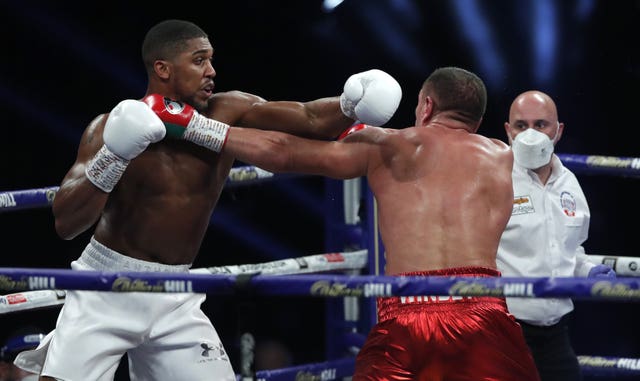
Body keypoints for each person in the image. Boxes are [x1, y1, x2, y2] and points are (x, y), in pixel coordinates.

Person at [13, 19, 401, 381]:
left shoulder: (228, 111)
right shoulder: (110, 126)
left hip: (177, 295)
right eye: (199, 61)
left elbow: (309, 119)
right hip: (106, 286)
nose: (211, 71)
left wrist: (349, 104)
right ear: (163, 69)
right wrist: (113, 157)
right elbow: (66, 223)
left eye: (211, 59)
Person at [220, 66, 540, 380]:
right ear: (478, 121)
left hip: (407, 313)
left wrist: (195, 126)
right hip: (483, 313)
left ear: (427, 105)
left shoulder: (388, 145)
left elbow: (282, 151)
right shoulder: (505, 157)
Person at [497, 90, 616, 381]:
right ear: (508, 131)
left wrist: (587, 271)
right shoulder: (493, 178)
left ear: (558, 131)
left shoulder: (569, 183)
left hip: (555, 331)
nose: (531, 134)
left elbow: (569, 250)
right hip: (502, 333)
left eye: (541, 125)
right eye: (522, 125)